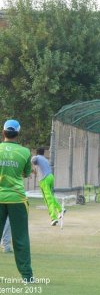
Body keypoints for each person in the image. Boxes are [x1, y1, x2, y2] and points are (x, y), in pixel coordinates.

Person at [0, 119, 34, 282]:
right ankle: (27, 277)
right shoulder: (25, 152)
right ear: (18, 133)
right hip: (17, 199)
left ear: (3, 132)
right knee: (20, 238)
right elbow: (26, 173)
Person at [31, 147, 65, 226]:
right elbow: (37, 170)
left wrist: (30, 158)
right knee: (51, 196)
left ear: (37, 152)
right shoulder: (45, 159)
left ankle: (54, 218)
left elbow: (33, 160)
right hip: (50, 177)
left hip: (44, 180)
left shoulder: (37, 158)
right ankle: (60, 209)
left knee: (48, 199)